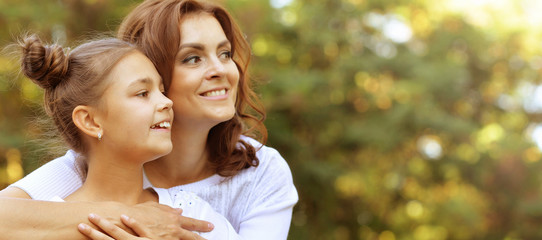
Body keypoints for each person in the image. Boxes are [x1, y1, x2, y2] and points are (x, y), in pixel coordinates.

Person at [0, 0, 298, 239]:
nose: (221, 69)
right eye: (192, 58)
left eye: (225, 53)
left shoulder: (238, 185)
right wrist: (132, 218)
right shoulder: (80, 168)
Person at [17, 34, 239, 239]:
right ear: (90, 121)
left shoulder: (189, 214)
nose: (167, 102)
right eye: (142, 93)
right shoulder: (42, 228)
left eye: (161, 91)